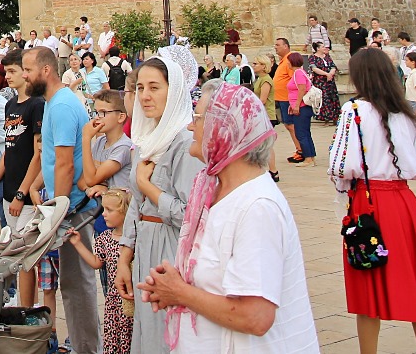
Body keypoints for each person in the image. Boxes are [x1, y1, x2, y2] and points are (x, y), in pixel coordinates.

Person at [137, 81, 320, 353]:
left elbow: (255, 316)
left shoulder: (258, 207)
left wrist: (180, 292)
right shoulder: (215, 191)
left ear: (222, 130)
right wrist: (177, 284)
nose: (190, 127)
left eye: (197, 119)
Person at [329, 47, 416, 354]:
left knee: (368, 286)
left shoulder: (354, 111)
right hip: (403, 203)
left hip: (367, 201)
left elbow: (339, 166)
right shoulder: (404, 113)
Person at [115, 45, 206, 354]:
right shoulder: (145, 141)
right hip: (145, 249)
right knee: (147, 333)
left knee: (169, 335)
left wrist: (148, 185)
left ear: (174, 91)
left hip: (172, 250)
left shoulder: (184, 143)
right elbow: (136, 207)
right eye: (140, 88)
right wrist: (125, 257)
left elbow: (190, 217)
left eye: (155, 87)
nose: (145, 96)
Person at [19, 44, 101, 354]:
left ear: (45, 70)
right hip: (68, 207)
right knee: (71, 284)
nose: (25, 76)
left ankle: (87, 348)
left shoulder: (63, 105)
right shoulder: (55, 102)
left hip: (74, 210)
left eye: (28, 70)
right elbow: (52, 158)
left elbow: (66, 163)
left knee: (78, 287)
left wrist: (59, 209)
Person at [0, 48, 45, 306]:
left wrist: (21, 194)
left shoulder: (37, 105)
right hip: (9, 185)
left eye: (13, 71)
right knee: (13, 252)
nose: (9, 76)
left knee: (26, 257)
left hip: (23, 194)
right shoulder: (9, 104)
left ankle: (27, 308)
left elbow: (38, 154)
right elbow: (9, 145)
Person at [66, 187, 133, 354]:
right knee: (113, 341)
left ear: (125, 212)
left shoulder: (135, 239)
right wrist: (78, 244)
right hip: (113, 303)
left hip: (131, 300)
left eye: (109, 210)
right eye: (104, 209)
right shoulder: (104, 238)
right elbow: (96, 262)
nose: (104, 214)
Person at [285, 53, 316, 165]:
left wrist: (297, 105)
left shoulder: (298, 73)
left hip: (302, 107)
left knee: (301, 133)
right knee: (305, 132)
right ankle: (311, 156)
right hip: (300, 106)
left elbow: (302, 89)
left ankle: (308, 158)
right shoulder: (299, 72)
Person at [307, 42, 340, 123]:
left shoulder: (327, 57)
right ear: (318, 48)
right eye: (322, 46)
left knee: (332, 97)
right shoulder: (313, 57)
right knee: (323, 98)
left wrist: (331, 74)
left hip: (329, 81)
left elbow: (333, 66)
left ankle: (335, 116)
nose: (324, 48)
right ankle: (325, 117)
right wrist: (326, 74)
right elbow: (314, 68)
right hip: (320, 81)